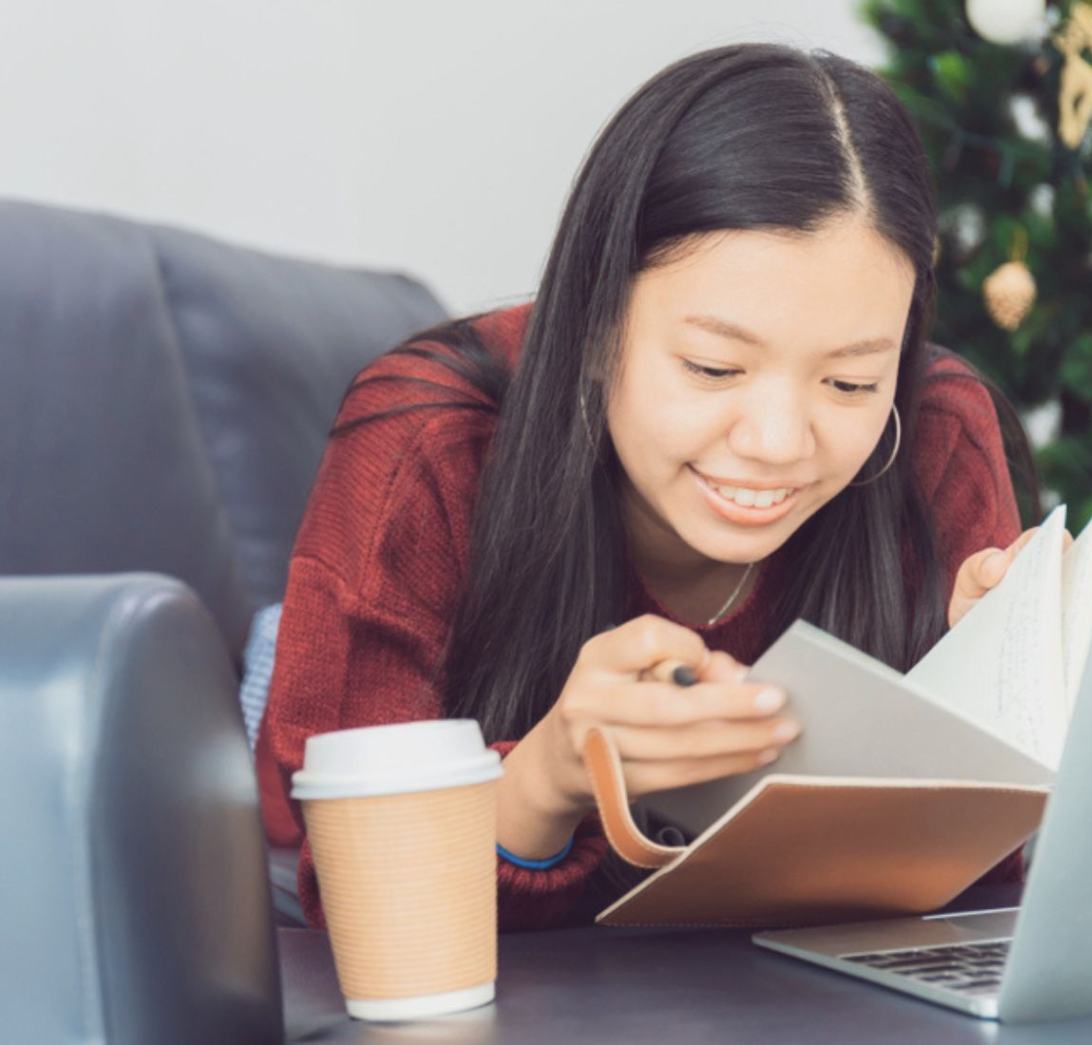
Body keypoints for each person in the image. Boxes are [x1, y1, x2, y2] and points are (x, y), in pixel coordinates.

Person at [256, 41, 1042, 931]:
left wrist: (1004, 706)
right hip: (364, 684)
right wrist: (549, 772)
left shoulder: (936, 431)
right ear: (596, 325)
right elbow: (355, 892)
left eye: (851, 383)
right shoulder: (428, 437)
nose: (778, 443)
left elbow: (984, 891)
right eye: (713, 367)